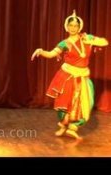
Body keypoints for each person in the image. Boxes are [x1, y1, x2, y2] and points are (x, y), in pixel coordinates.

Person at [31, 10, 108, 140]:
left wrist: (91, 39)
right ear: (67, 27)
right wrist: (41, 51)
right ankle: (63, 125)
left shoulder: (86, 39)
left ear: (79, 27)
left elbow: (104, 42)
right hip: (67, 77)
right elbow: (51, 54)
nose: (73, 28)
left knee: (86, 103)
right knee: (64, 103)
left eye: (75, 25)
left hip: (83, 77)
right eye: (71, 25)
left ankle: (73, 128)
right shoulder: (64, 43)